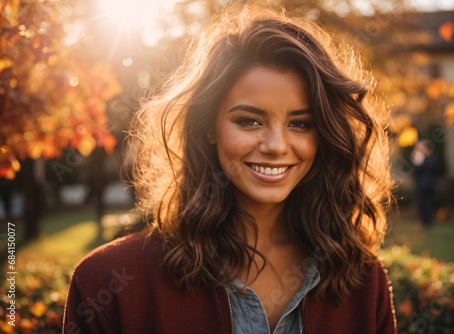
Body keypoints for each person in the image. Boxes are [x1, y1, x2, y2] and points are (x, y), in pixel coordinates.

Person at [63, 4, 396, 333]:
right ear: (209, 127)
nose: (276, 145)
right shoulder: (109, 282)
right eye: (249, 121)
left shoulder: (363, 280)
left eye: (301, 123)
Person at [411, 140, 437, 227]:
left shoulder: (430, 159)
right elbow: (416, 168)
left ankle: (428, 221)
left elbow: (420, 167)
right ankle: (425, 221)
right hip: (422, 184)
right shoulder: (423, 158)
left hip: (427, 185)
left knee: (426, 203)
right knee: (422, 203)